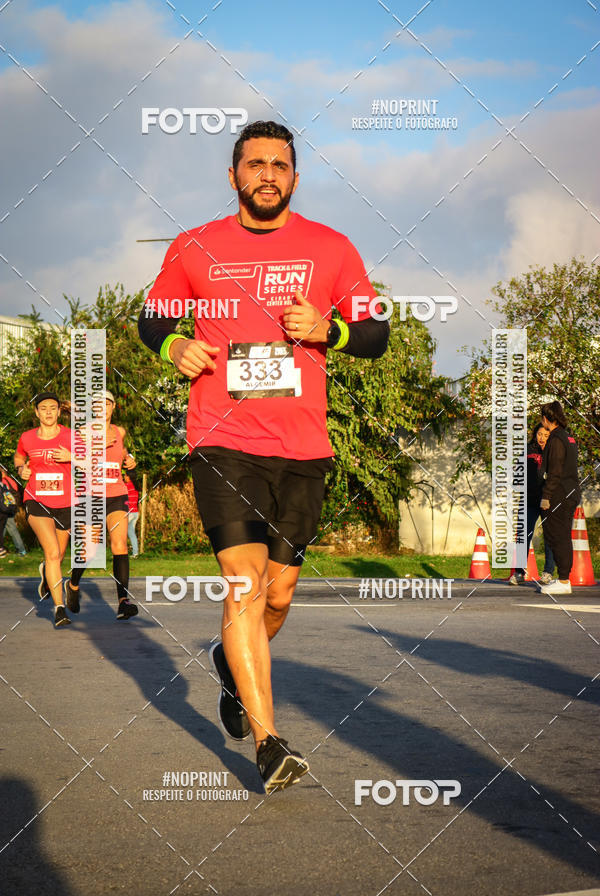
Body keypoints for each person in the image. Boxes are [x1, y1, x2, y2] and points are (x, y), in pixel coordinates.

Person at [138, 119, 389, 793]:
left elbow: (375, 333)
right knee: (245, 584)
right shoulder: (195, 246)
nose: (268, 174)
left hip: (304, 447)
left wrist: (329, 328)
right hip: (222, 439)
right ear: (234, 177)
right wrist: (172, 349)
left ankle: (229, 659)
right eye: (255, 164)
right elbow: (152, 320)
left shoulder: (331, 248)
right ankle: (271, 743)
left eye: (280, 164)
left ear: (295, 178)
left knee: (277, 594)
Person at [65, 390, 138, 619]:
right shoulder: (84, 432)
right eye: (98, 404)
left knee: (120, 545)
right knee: (89, 551)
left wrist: (129, 460)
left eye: (107, 403)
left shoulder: (120, 431)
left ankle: (123, 601)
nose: (103, 407)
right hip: (91, 496)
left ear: (113, 407)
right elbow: (77, 462)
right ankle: (73, 584)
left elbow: (121, 455)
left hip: (117, 493)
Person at [14, 393, 73, 627]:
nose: (48, 412)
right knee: (51, 552)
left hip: (66, 501)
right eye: (43, 408)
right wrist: (21, 470)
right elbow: (19, 457)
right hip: (36, 500)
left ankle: (47, 573)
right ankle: (60, 608)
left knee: (57, 555)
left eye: (53, 408)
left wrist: (73, 457)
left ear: (59, 412)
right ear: (36, 413)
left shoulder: (71, 436)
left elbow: (91, 459)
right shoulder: (27, 438)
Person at [538, 400, 581, 595]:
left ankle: (564, 580)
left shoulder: (555, 440)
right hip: (571, 491)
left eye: (542, 418)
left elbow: (554, 471)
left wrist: (546, 496)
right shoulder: (569, 438)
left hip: (559, 494)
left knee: (557, 535)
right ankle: (563, 577)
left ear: (547, 419)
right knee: (563, 534)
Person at [508, 423, 555, 585]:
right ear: (535, 435)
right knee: (523, 535)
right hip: (529, 500)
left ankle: (548, 572)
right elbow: (518, 473)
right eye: (539, 434)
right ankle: (519, 573)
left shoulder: (554, 452)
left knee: (550, 536)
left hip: (548, 501)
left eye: (546, 435)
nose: (542, 438)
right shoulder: (528, 451)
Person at [123, 469, 140, 558]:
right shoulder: (136, 486)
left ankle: (121, 553)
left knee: (120, 532)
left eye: (125, 475)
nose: (124, 477)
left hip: (129, 513)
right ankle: (135, 553)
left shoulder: (126, 486)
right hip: (135, 513)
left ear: (129, 477)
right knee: (131, 533)